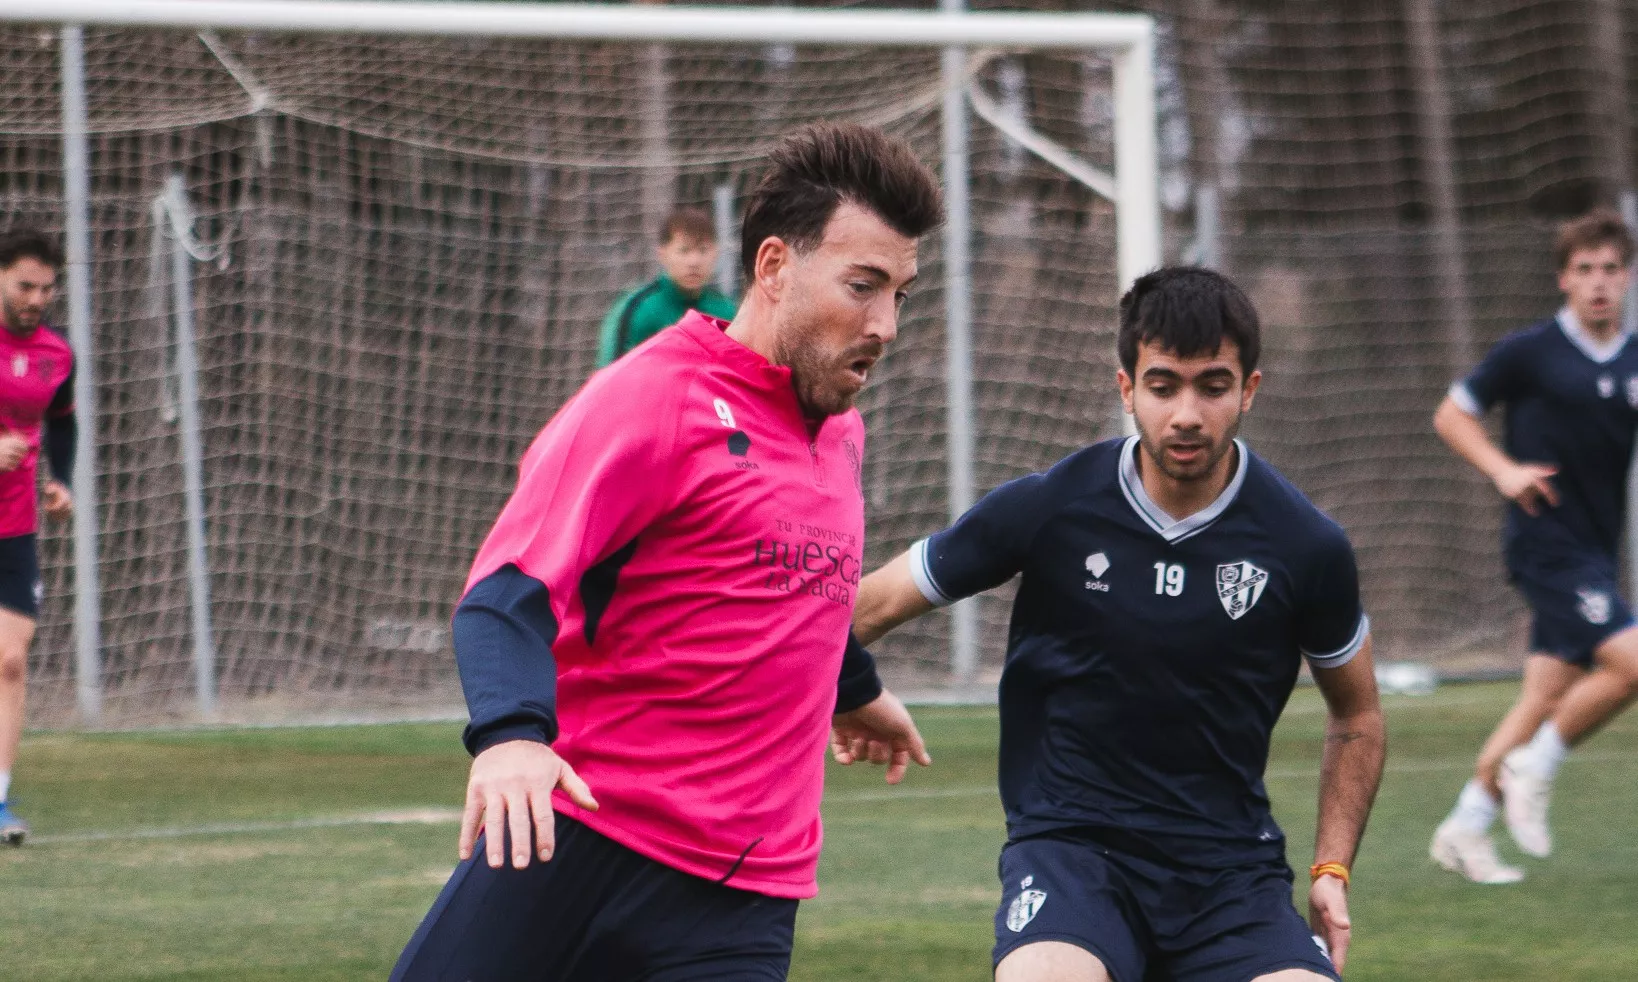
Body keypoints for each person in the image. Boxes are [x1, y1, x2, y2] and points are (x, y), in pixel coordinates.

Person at [392, 123, 942, 982]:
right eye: (862, 286)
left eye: (901, 295)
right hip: (578, 841)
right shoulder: (648, 399)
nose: (886, 325)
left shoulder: (843, 435)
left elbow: (790, 596)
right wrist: (510, 739)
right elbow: (507, 591)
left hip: (745, 894)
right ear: (772, 269)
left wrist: (856, 693)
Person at [847, 267, 1385, 982]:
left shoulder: (1305, 545)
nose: (1187, 413)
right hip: (1072, 855)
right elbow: (866, 606)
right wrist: (842, 690)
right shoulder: (1051, 508)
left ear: (1249, 389)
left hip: (1230, 877)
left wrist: (1330, 866)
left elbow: (1358, 713)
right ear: (1126, 387)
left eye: (1213, 386)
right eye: (1163, 385)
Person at [1429, 209, 1638, 884]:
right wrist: (1503, 469)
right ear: (1563, 280)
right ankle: (1536, 765)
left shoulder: (1634, 360)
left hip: (1594, 553)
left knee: (1542, 700)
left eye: (1611, 269)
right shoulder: (1531, 352)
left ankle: (1465, 827)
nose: (1599, 282)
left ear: (1628, 276)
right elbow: (1451, 413)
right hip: (1545, 545)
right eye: (1585, 270)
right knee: (1634, 664)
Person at [0, 229, 77, 847]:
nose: (36, 298)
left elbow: (62, 423)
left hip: (15, 525)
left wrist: (63, 484)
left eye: (46, 288)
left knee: (10, 660)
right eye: (25, 285)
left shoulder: (57, 352)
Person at [596, 205, 739, 367]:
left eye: (702, 250)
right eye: (684, 251)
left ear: (716, 253)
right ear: (663, 254)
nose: (694, 262)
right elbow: (611, 374)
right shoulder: (638, 309)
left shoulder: (726, 311)